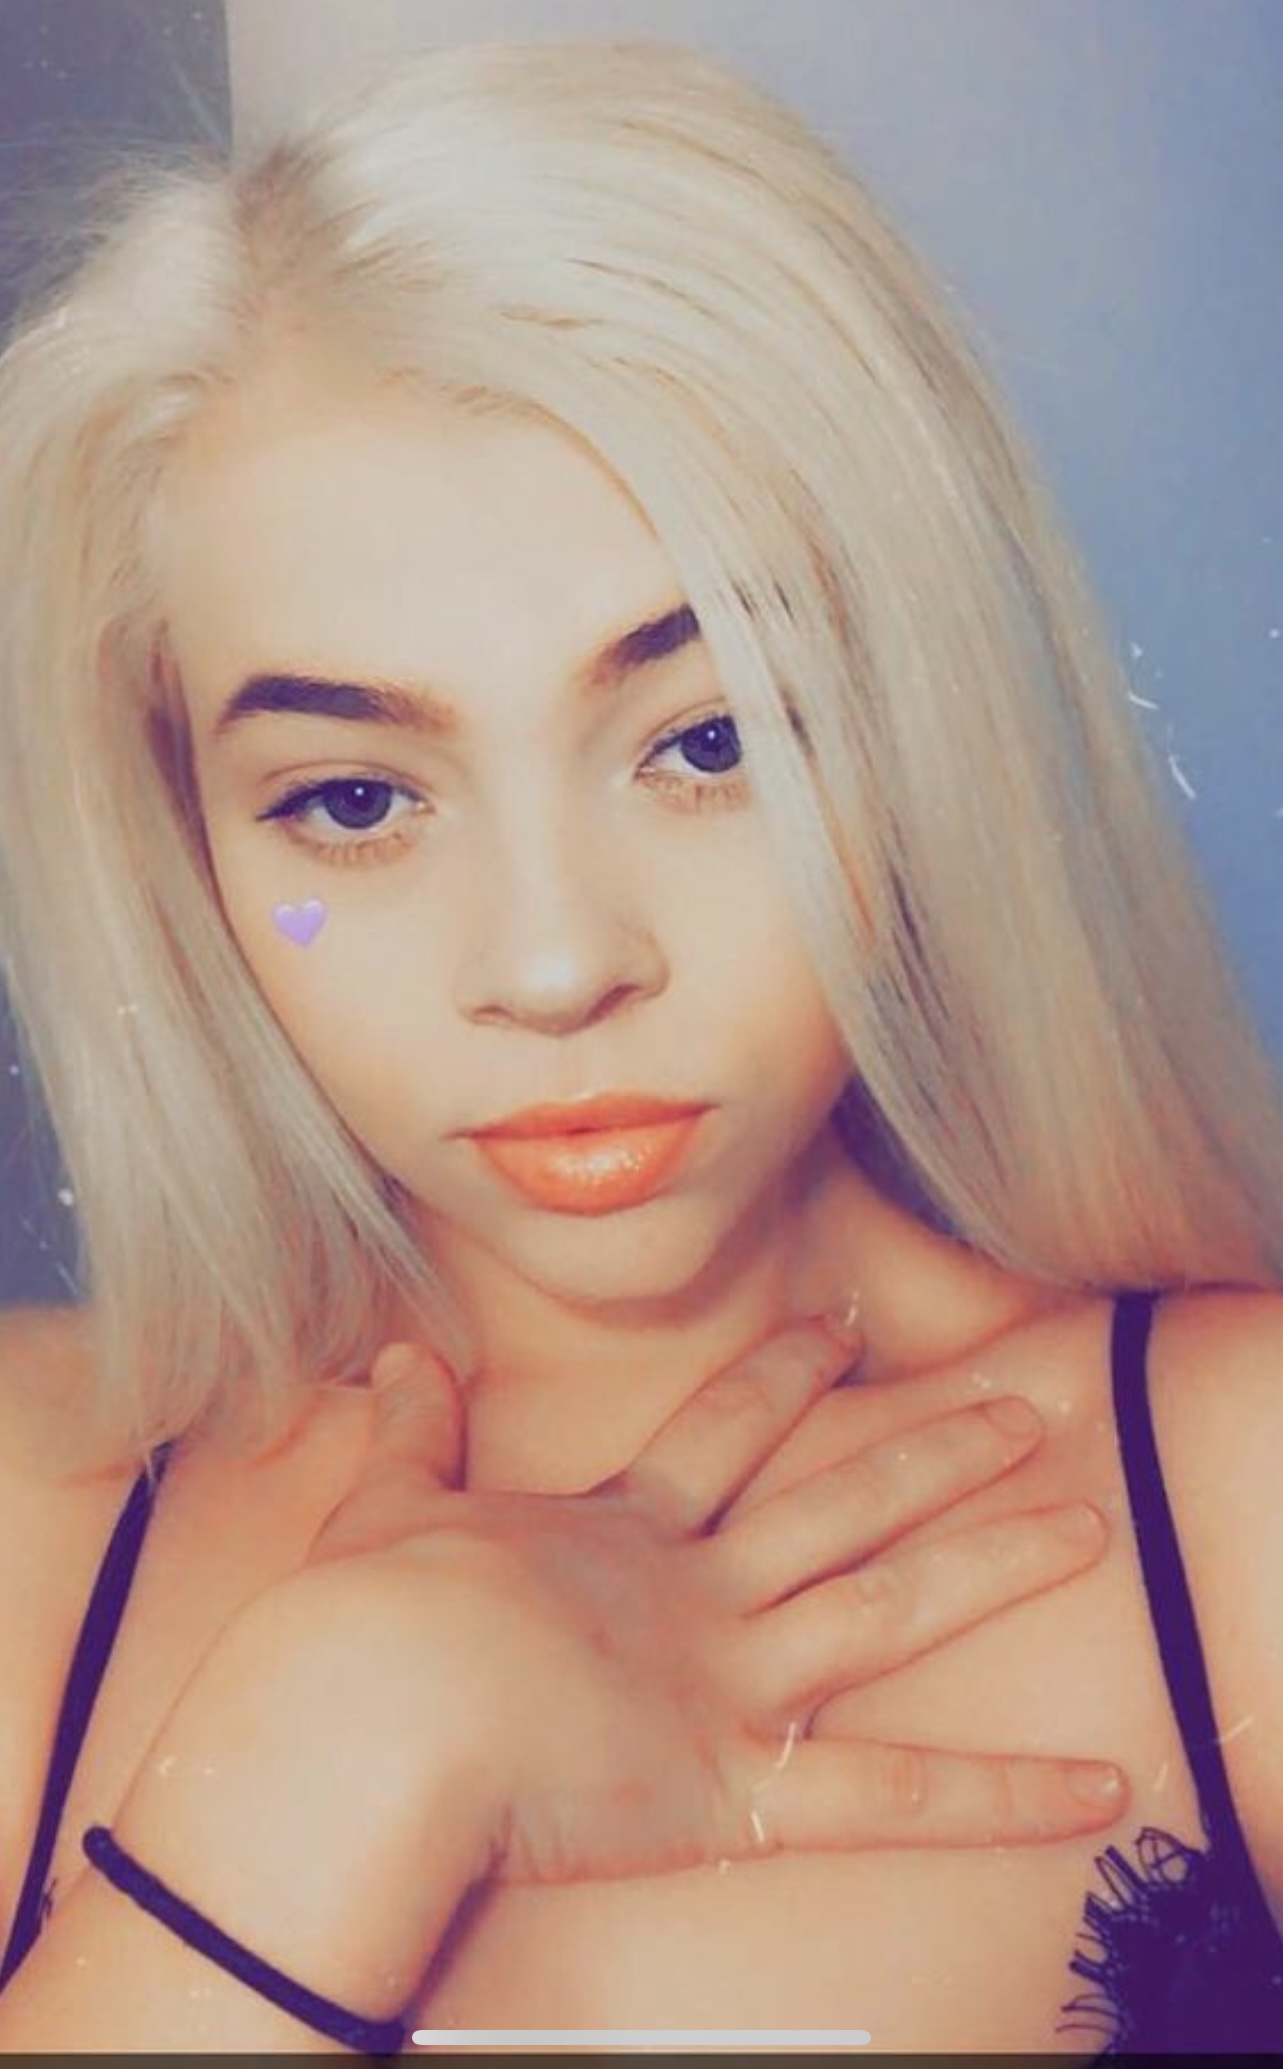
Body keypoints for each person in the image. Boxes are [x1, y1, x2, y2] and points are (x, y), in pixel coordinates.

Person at [0, 33, 1280, 2056]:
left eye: (709, 742)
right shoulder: (29, 1510)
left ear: (917, 729)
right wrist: (345, 1737)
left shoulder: (1243, 1491)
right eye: (354, 799)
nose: (553, 962)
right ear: (187, 841)